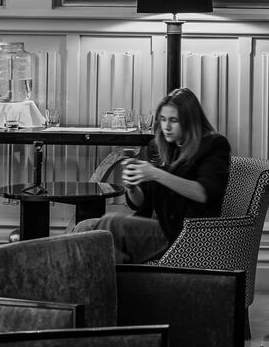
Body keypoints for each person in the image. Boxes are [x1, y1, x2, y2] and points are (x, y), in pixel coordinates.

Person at [74, 87, 231, 263]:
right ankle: (78, 279)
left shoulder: (213, 145)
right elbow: (140, 203)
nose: (166, 127)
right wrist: (132, 186)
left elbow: (204, 193)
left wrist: (156, 174)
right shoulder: (162, 147)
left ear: (190, 120)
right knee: (84, 227)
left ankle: (103, 277)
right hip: (159, 228)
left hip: (187, 235)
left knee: (112, 224)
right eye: (163, 119)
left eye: (174, 120)